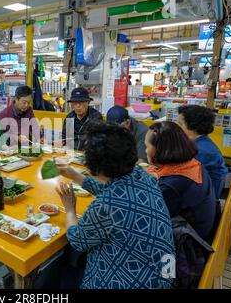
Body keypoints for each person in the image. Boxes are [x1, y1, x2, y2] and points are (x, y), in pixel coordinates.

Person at [55, 122, 175, 289]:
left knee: (59, 270)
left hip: (131, 281)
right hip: (162, 275)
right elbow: (112, 189)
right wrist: (74, 175)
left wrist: (69, 209)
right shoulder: (142, 175)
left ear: (94, 166)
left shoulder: (106, 205)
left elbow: (77, 241)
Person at [145, 121, 216, 241]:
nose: (145, 151)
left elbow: (153, 219)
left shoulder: (172, 187)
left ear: (159, 150)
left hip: (190, 243)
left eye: (147, 146)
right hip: (201, 228)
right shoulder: (191, 164)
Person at [178, 105, 228, 200]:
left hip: (200, 204)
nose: (178, 128)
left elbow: (181, 179)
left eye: (181, 124)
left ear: (192, 126)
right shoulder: (201, 142)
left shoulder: (202, 151)